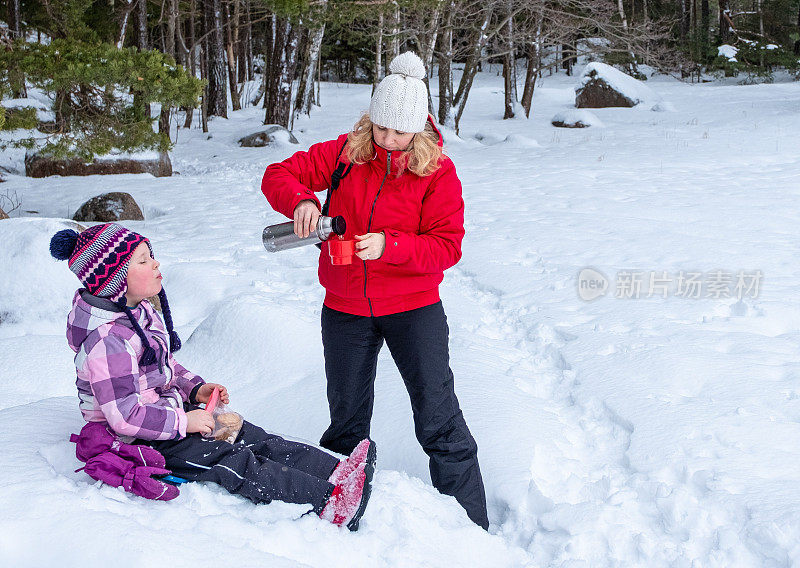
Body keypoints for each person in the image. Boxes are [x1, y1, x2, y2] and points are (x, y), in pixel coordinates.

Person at [261, 51, 489, 529]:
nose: (387, 140)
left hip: (414, 308)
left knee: (438, 419)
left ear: (420, 129)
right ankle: (339, 516)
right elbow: (278, 175)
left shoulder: (437, 172)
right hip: (344, 307)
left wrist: (392, 245)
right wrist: (302, 198)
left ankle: (473, 530)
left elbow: (447, 247)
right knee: (346, 422)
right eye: (381, 128)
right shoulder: (346, 152)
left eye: (399, 132)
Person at [50, 222, 374, 531]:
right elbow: (124, 417)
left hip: (169, 417)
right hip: (142, 439)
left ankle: (337, 471)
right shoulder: (108, 341)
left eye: (152, 255)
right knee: (235, 462)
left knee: (253, 435)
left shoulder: (138, 313)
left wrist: (196, 389)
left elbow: (164, 366)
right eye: (144, 260)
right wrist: (184, 422)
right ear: (116, 280)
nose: (156, 263)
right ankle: (329, 502)